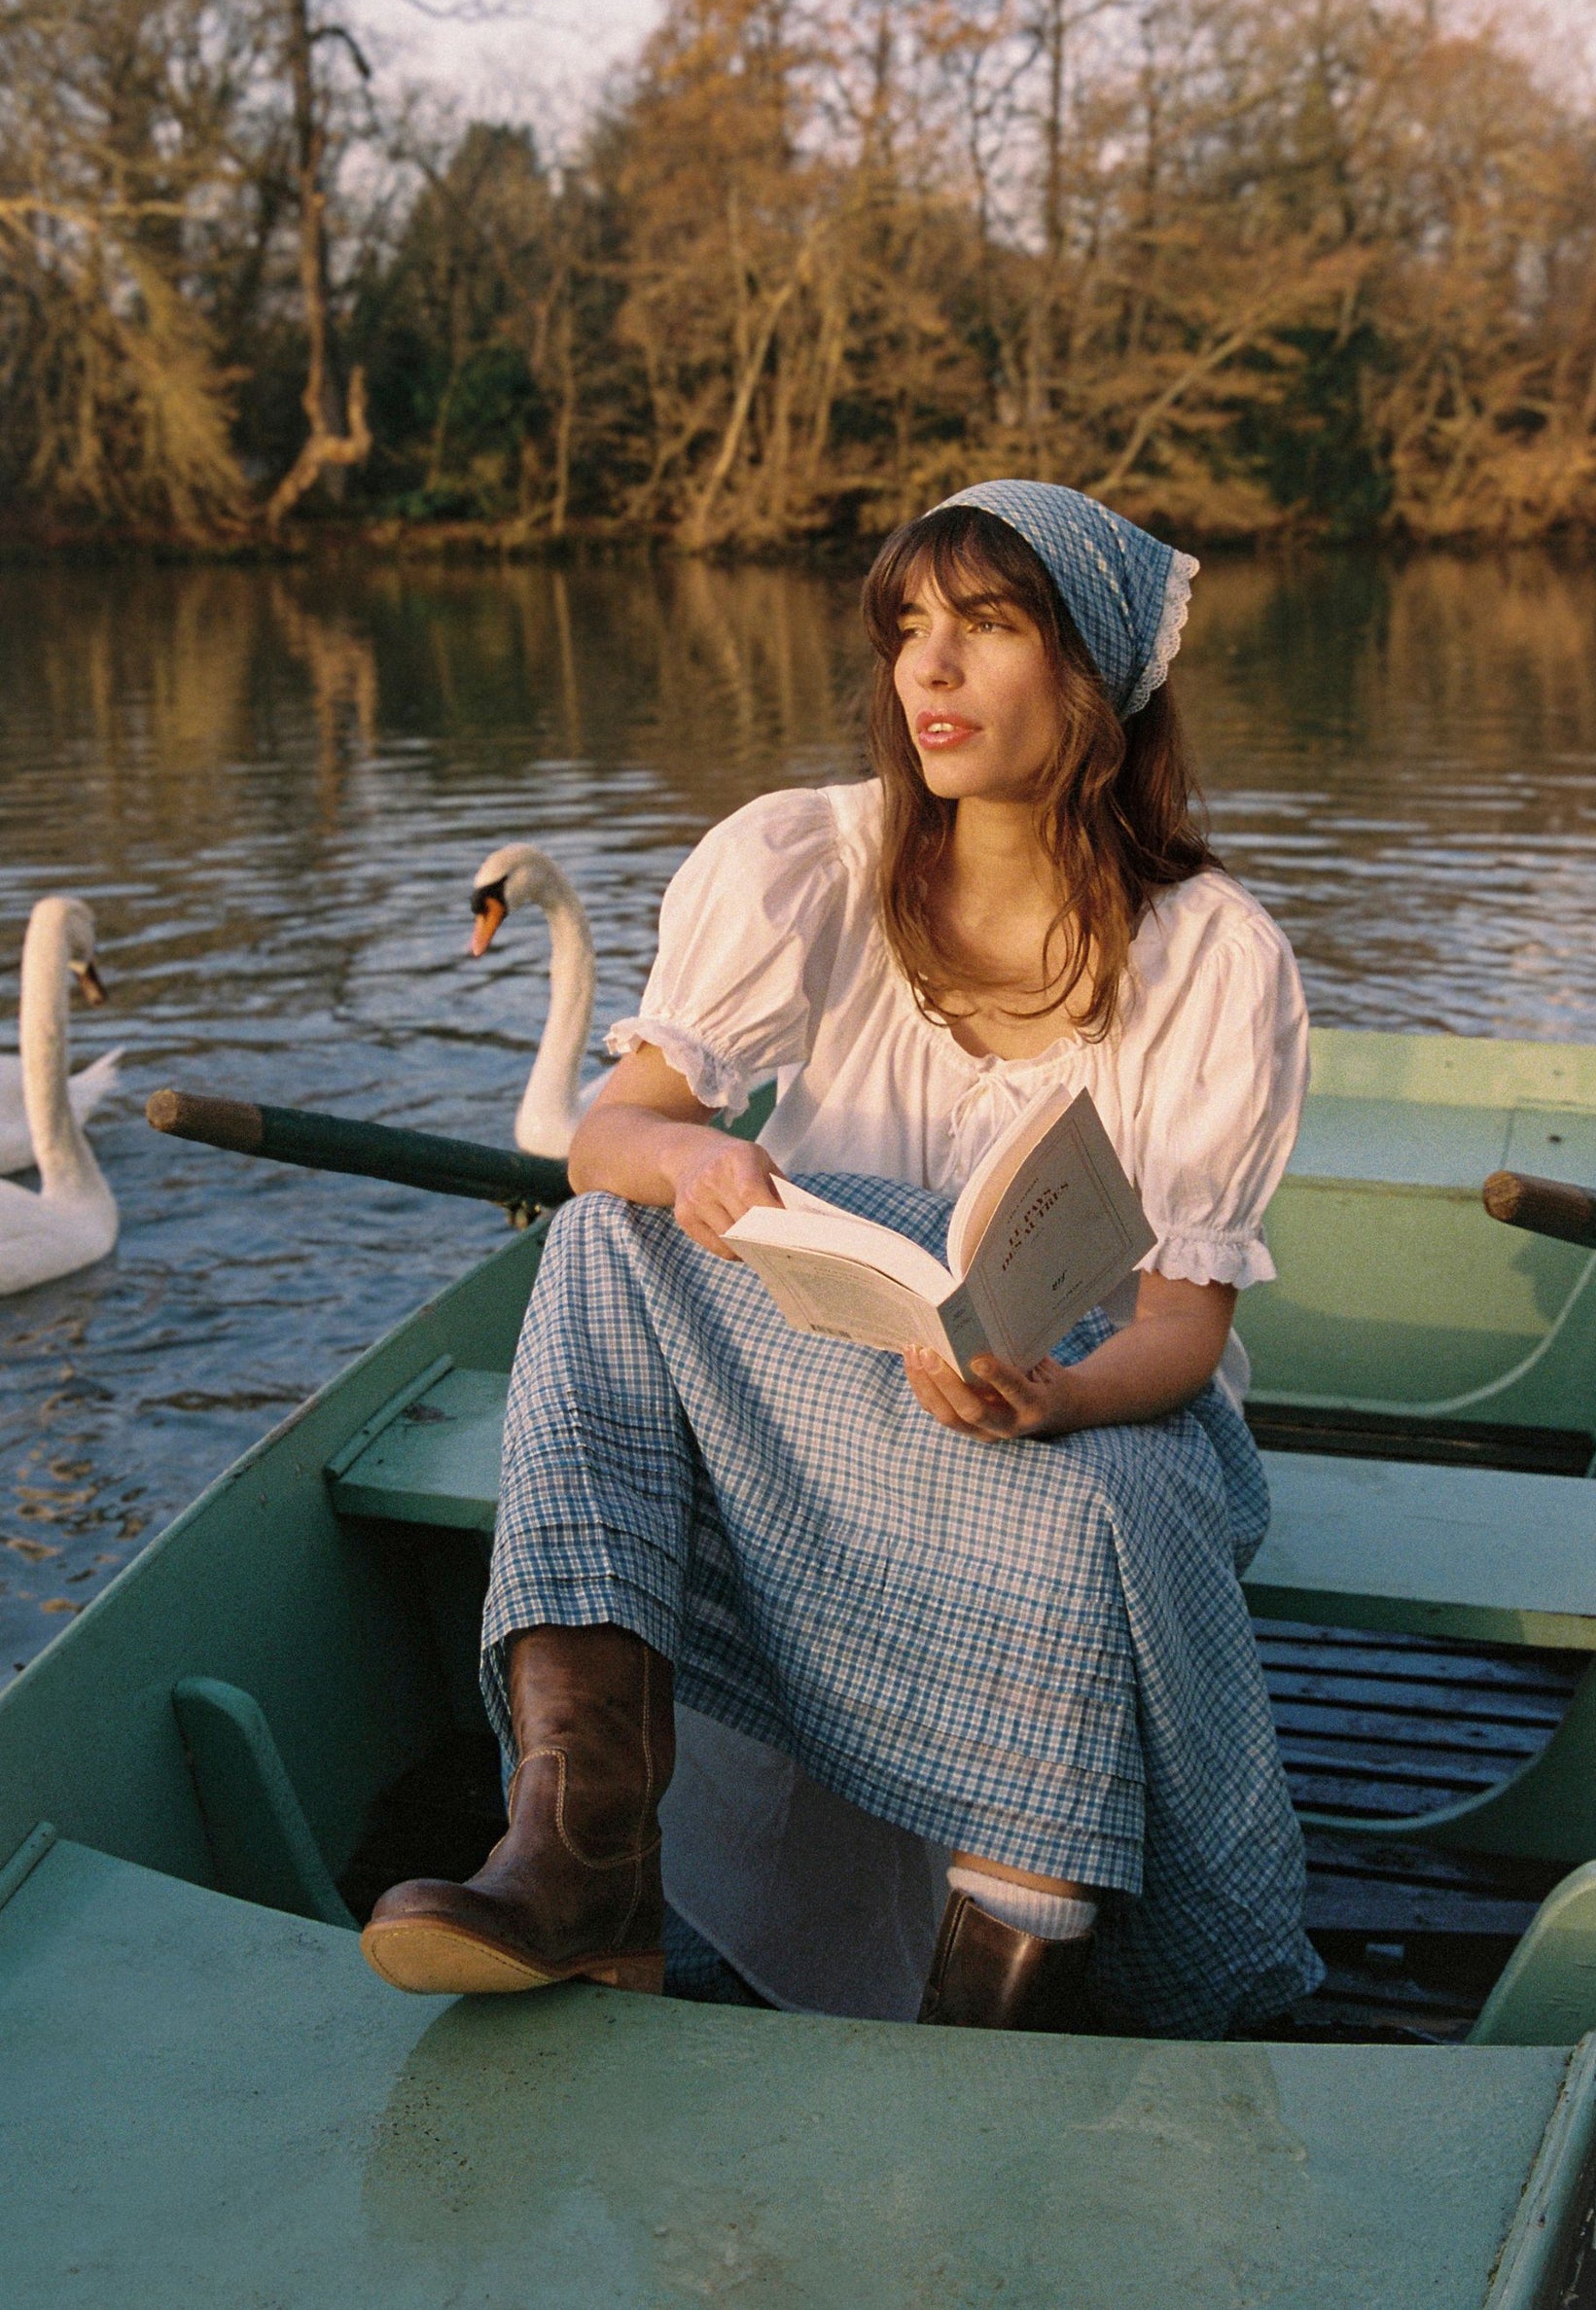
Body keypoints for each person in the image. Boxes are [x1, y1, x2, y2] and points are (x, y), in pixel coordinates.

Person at [362, 480, 1321, 2038]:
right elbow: (610, 1135)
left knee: (1095, 1518)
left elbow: (1181, 1336)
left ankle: (990, 2014)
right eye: (906, 632)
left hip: (1069, 1409)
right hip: (827, 1372)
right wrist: (696, 1156)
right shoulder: (807, 860)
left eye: (986, 628)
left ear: (1097, 677)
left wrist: (1055, 1404)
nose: (925, 674)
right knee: (609, 1234)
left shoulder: (1215, 957)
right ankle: (580, 1849)